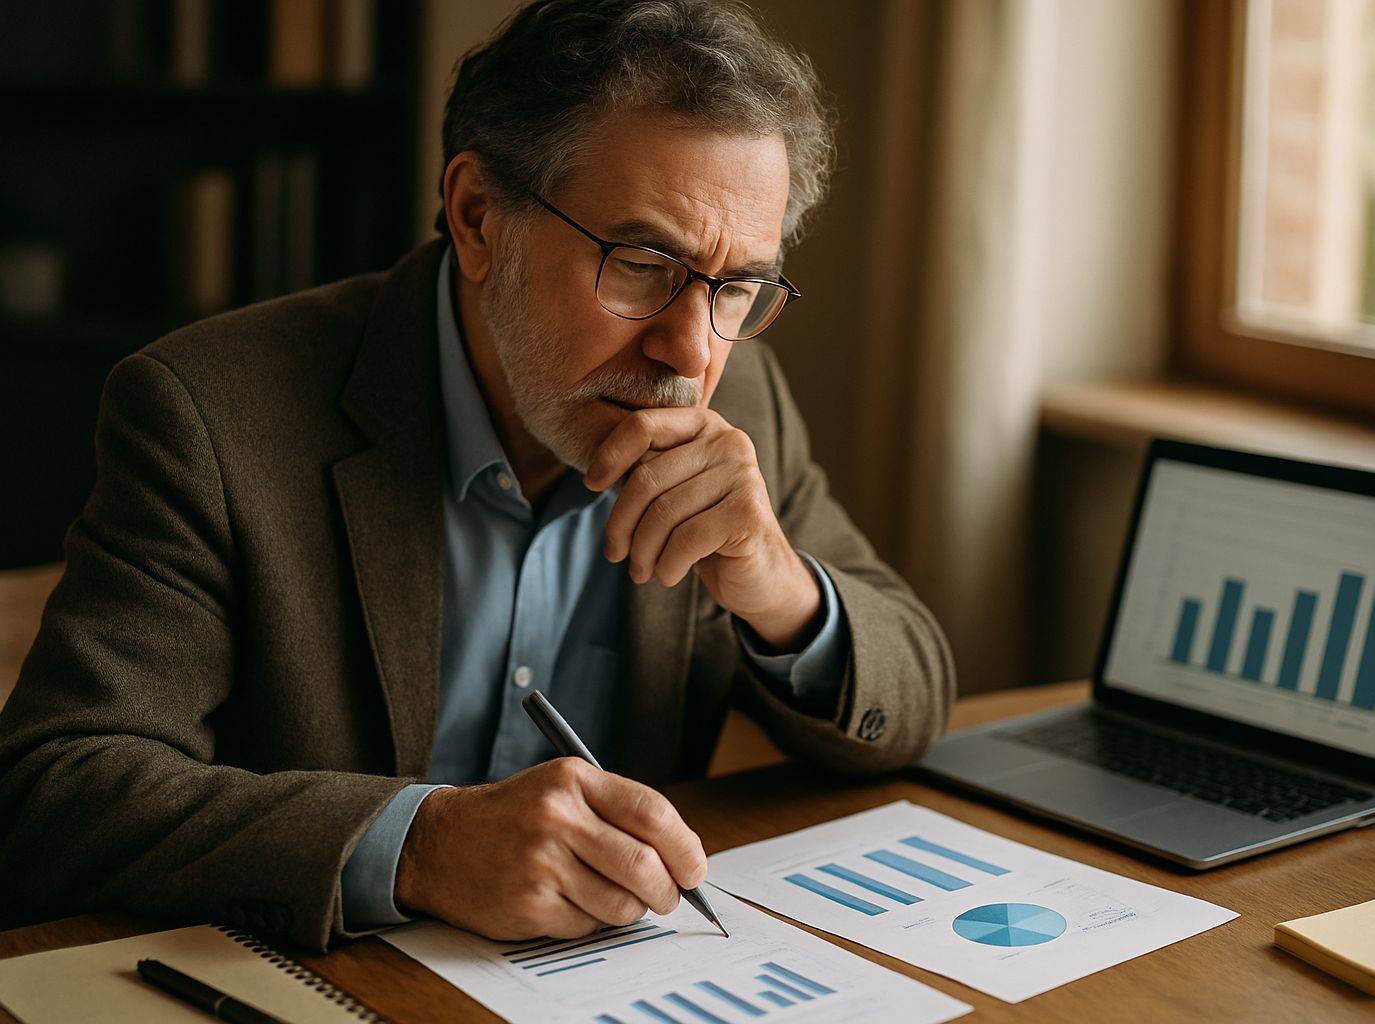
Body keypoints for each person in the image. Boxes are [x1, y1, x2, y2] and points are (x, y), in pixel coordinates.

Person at [0, 0, 954, 951]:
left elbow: (915, 690)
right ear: (477, 217)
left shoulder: (743, 404)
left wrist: (782, 593)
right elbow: (54, 789)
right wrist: (419, 846)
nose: (689, 350)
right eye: (642, 262)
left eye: (737, 285)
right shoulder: (207, 415)